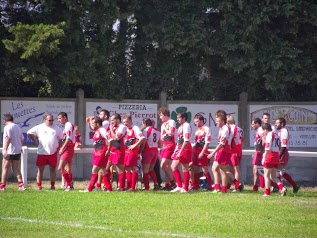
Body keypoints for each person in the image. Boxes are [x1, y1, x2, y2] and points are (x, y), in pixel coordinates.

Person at [27, 113, 62, 190]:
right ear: (45, 120)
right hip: (42, 152)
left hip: (52, 153)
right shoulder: (39, 127)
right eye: (49, 120)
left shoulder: (57, 128)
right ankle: (39, 185)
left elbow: (61, 139)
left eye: (52, 120)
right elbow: (29, 132)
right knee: (40, 170)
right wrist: (35, 140)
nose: (51, 122)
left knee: (53, 169)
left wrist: (59, 148)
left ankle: (52, 185)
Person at [79, 117, 109, 192]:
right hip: (97, 153)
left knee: (94, 170)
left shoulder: (102, 130)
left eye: (93, 123)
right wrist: (89, 121)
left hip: (101, 153)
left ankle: (89, 189)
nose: (91, 125)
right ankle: (109, 188)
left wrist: (108, 149)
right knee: (103, 170)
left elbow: (109, 139)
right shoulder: (97, 130)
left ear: (98, 124)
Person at [0, 114, 25, 191]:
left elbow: (8, 138)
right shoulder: (17, 127)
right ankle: (21, 185)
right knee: (15, 168)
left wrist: (5, 150)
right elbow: (22, 139)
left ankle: (2, 186)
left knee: (5, 168)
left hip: (10, 150)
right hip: (17, 150)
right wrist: (18, 146)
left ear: (5, 120)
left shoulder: (7, 127)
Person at [275, 117, 300, 193]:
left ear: (282, 124)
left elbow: (284, 145)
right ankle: (294, 185)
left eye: (277, 123)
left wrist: (279, 156)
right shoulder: (279, 131)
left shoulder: (284, 131)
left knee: (276, 172)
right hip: (279, 152)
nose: (276, 124)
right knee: (280, 171)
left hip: (282, 152)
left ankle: (281, 188)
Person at [207, 111, 231, 193]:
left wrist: (212, 153)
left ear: (223, 121)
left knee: (222, 170)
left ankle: (224, 189)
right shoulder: (222, 129)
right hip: (221, 151)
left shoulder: (225, 129)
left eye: (217, 121)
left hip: (224, 151)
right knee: (214, 168)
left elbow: (222, 144)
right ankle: (217, 187)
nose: (216, 122)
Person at [261, 123, 287, 196]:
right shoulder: (276, 135)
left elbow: (267, 148)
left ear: (265, 129)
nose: (263, 133)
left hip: (270, 156)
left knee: (266, 175)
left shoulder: (269, 135)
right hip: (276, 156)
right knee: (273, 176)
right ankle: (282, 188)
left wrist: (264, 157)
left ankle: (267, 192)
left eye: (263, 131)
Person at [190, 113, 213, 191]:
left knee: (204, 169)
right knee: (195, 168)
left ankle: (210, 186)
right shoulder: (197, 130)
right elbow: (196, 142)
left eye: (197, 121)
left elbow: (207, 142)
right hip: (196, 151)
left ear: (201, 121)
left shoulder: (206, 129)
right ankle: (196, 186)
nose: (196, 123)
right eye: (195, 122)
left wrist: (202, 152)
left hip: (202, 152)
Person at [170, 112, 192, 193]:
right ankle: (179, 186)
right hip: (180, 148)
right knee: (173, 166)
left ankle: (185, 188)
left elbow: (186, 140)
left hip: (185, 149)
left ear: (184, 118)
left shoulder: (186, 126)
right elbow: (179, 140)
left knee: (185, 168)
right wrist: (176, 150)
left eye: (179, 118)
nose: (177, 119)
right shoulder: (180, 127)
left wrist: (180, 152)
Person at [122, 114, 145, 191]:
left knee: (132, 169)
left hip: (132, 152)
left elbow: (142, 138)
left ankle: (132, 187)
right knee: (127, 169)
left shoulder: (135, 128)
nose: (125, 123)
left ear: (131, 121)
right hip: (125, 152)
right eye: (124, 122)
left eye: (127, 121)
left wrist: (135, 145)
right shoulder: (124, 129)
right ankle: (128, 186)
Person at [104, 113, 127, 191]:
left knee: (120, 169)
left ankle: (122, 187)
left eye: (113, 120)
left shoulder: (122, 127)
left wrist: (110, 129)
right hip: (112, 150)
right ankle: (107, 187)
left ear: (118, 120)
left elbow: (116, 138)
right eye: (111, 120)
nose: (111, 121)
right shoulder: (113, 127)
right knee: (106, 168)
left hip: (119, 151)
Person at [139, 118, 161, 190]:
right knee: (151, 169)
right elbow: (159, 142)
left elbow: (144, 141)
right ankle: (156, 183)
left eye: (142, 123)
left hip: (147, 151)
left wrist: (139, 151)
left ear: (145, 123)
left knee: (145, 170)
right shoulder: (157, 130)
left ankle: (146, 187)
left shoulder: (146, 130)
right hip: (155, 151)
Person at [158, 107, 176, 190]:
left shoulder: (171, 122)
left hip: (170, 145)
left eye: (161, 115)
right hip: (164, 146)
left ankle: (173, 183)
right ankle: (167, 184)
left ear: (165, 115)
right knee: (166, 166)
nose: (160, 117)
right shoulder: (162, 125)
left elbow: (171, 133)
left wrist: (165, 128)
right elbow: (162, 137)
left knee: (163, 165)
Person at [57, 112, 76, 192]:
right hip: (69, 148)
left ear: (65, 117)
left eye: (60, 118)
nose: (58, 120)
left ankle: (69, 185)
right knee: (67, 168)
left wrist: (62, 148)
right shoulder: (67, 125)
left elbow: (68, 139)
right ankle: (70, 185)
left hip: (68, 148)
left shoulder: (68, 124)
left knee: (60, 168)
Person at [226, 115, 244, 192]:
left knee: (235, 169)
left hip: (233, 151)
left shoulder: (232, 129)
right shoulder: (240, 129)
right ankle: (229, 185)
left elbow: (229, 140)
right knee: (232, 169)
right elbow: (242, 140)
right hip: (239, 150)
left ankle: (237, 187)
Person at [251, 118, 265, 192]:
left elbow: (264, 140)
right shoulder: (258, 131)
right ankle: (256, 186)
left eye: (253, 124)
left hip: (259, 153)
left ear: (257, 124)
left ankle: (256, 186)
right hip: (257, 152)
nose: (252, 125)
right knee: (256, 170)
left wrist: (261, 150)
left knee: (257, 170)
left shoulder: (260, 130)